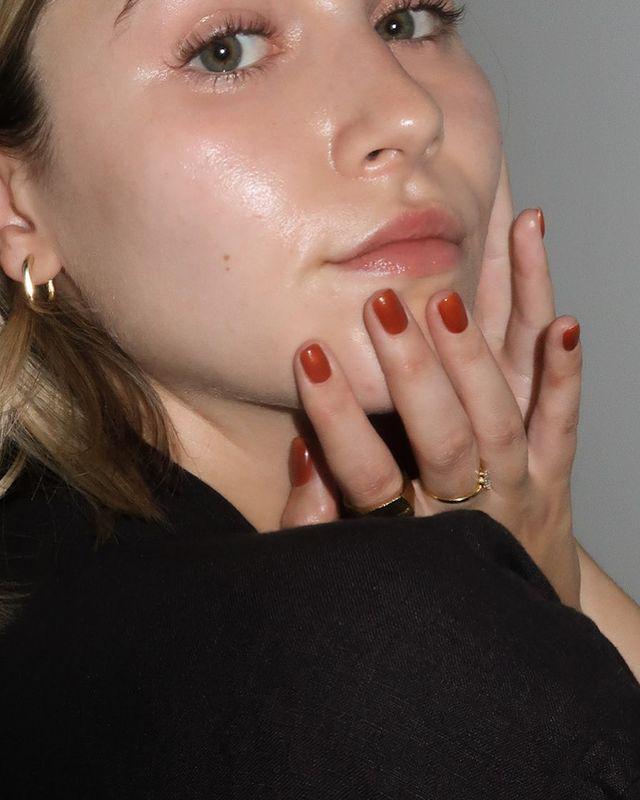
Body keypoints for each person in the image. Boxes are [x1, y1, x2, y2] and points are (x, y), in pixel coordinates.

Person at [0, 0, 639, 796]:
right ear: (15, 203)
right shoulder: (377, 659)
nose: (411, 113)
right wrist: (526, 624)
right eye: (225, 51)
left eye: (407, 20)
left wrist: (537, 571)